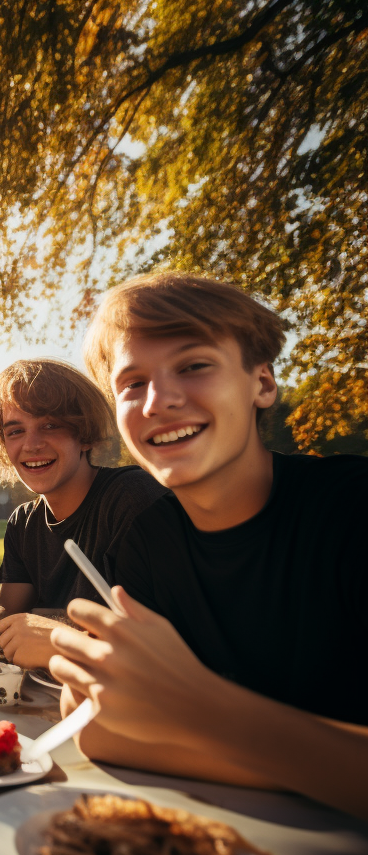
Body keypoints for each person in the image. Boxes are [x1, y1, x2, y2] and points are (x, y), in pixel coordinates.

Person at [50, 271, 368, 817]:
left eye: (194, 365)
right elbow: (94, 728)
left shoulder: (351, 509)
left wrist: (200, 712)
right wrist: (317, 764)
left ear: (261, 384)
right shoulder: (145, 544)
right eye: (132, 383)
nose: (159, 401)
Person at [0, 359, 165, 669]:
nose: (31, 444)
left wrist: (57, 634)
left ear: (85, 433)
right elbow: (8, 613)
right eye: (15, 431)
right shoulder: (23, 523)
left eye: (50, 425)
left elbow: (161, 638)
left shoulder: (131, 497)